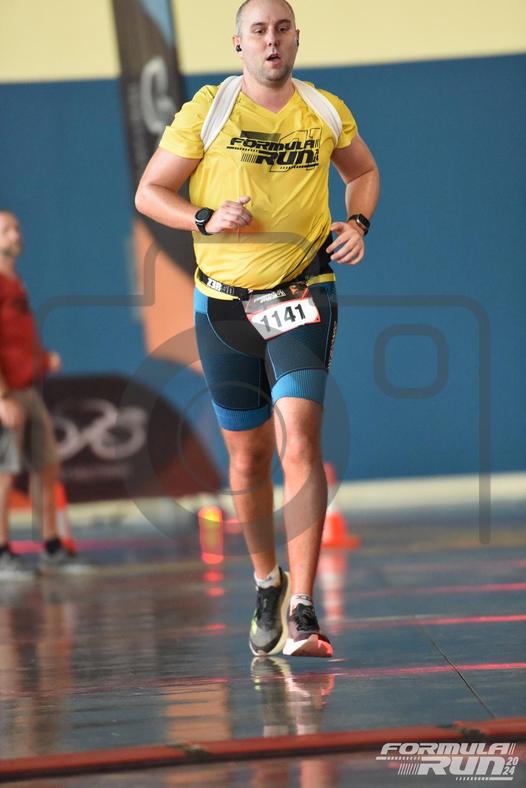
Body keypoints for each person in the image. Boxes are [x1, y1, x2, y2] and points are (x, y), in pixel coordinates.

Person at [135, 0, 380, 657]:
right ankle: (267, 581)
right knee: (247, 456)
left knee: (299, 440)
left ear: (296, 39)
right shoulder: (208, 110)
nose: (272, 41)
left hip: (303, 293)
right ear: (239, 45)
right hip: (223, 306)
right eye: (258, 32)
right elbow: (150, 192)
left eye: (282, 30)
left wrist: (358, 223)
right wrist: (205, 218)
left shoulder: (324, 110)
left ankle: (302, 607)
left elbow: (362, 171)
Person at [0, 211, 80, 576]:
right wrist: (2, 398)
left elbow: (14, 339)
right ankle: (2, 553)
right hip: (8, 395)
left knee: (46, 466)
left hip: (28, 390)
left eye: (16, 227)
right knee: (4, 474)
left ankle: (51, 547)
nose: (15, 234)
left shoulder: (14, 282)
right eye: (6, 230)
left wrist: (42, 359)